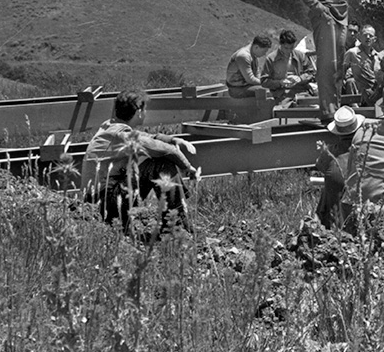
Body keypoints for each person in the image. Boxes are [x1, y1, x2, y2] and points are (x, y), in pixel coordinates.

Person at [81, 90, 199, 233]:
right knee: (160, 162)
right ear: (138, 112)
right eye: (145, 108)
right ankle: (176, 221)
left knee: (153, 160)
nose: (146, 112)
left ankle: (176, 218)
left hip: (98, 201)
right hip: (106, 204)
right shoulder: (122, 134)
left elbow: (149, 137)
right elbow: (166, 150)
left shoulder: (110, 127)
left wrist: (174, 139)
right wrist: (188, 167)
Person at [299, 0, 349, 120]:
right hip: (327, 17)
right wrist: (321, 10)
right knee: (328, 64)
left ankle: (336, 108)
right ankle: (328, 111)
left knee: (338, 65)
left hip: (341, 16)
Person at [314, 105, 365, 229]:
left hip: (336, 214)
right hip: (362, 209)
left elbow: (319, 165)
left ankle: (323, 222)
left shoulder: (330, 152)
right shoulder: (365, 151)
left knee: (329, 184)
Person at [261, 29, 316, 103]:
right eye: (286, 48)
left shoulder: (300, 56)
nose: (289, 51)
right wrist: (280, 82)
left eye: (291, 48)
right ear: (280, 44)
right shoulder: (271, 59)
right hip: (281, 94)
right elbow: (264, 81)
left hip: (301, 91)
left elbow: (311, 73)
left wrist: (300, 78)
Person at [342, 24, 379, 105]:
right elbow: (342, 70)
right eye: (365, 35)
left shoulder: (377, 56)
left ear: (374, 39)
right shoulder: (352, 53)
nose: (368, 37)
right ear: (360, 37)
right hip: (358, 90)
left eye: (371, 35)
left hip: (374, 91)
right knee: (350, 82)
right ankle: (355, 108)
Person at [226, 34, 272, 98]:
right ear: (256, 47)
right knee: (266, 91)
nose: (264, 54)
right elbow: (250, 79)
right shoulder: (243, 56)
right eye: (264, 51)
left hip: (247, 86)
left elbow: (257, 75)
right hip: (237, 89)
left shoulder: (254, 56)